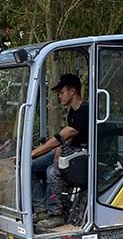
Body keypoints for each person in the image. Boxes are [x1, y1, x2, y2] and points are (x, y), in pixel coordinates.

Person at [30, 73, 89, 228]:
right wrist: (59, 150)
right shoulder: (72, 112)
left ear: (72, 91)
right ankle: (41, 209)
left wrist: (34, 152)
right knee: (32, 167)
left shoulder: (85, 111)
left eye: (62, 92)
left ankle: (56, 215)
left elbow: (64, 135)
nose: (59, 97)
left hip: (83, 154)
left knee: (52, 171)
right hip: (70, 150)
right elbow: (66, 139)